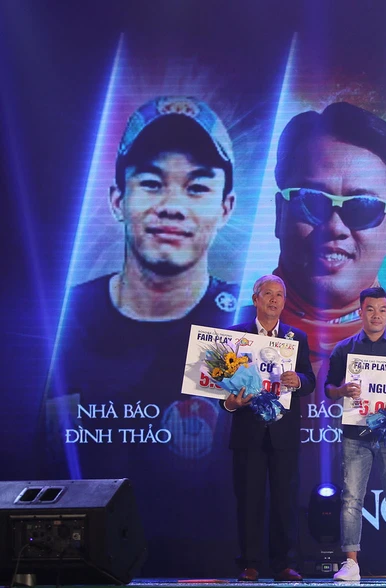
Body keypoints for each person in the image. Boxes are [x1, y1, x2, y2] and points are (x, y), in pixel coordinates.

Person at [42, 96, 241, 576]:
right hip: (86, 567)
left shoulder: (240, 322)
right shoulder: (60, 319)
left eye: (197, 187)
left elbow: (262, 457)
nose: (172, 206)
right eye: (151, 183)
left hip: (211, 568)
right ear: (117, 200)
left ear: (226, 208)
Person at [267, 101, 386, 387]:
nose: (334, 227)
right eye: (312, 201)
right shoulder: (224, 338)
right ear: (280, 213)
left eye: (363, 206)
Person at [224, 274, 316, 582]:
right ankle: (249, 564)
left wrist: (298, 380)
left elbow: (309, 379)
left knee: (284, 501)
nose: (274, 299)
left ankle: (284, 564)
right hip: (247, 432)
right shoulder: (236, 336)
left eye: (279, 294)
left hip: (283, 434)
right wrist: (230, 404)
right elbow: (218, 384)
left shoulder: (295, 337)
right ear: (255, 299)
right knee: (249, 500)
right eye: (268, 293)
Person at [324, 287, 386, 581]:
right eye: (370, 309)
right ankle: (351, 562)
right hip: (356, 433)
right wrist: (342, 390)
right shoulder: (344, 349)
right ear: (360, 312)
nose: (376, 315)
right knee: (351, 498)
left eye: (382, 309)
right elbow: (328, 389)